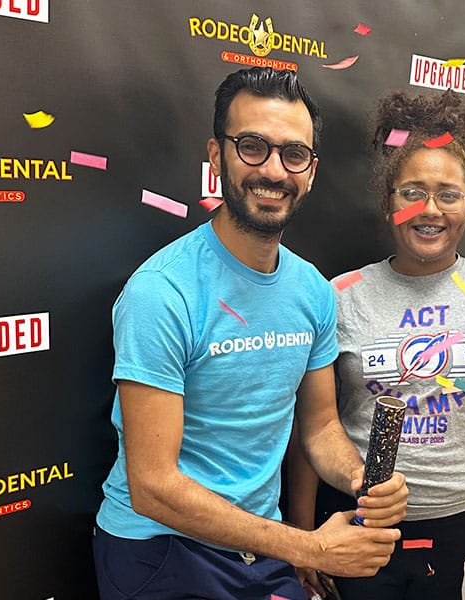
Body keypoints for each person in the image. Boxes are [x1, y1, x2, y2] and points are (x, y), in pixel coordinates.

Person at [92, 67, 408, 600]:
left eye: (293, 155)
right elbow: (153, 488)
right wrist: (307, 548)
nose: (274, 171)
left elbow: (322, 426)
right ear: (216, 155)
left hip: (262, 547)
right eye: (253, 147)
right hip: (161, 548)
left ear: (311, 171)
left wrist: (360, 479)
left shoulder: (311, 290)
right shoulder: (161, 293)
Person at [288, 89, 465, 600]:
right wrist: (304, 537)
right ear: (388, 202)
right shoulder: (339, 296)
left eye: (449, 193)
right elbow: (315, 426)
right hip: (360, 530)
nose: (430, 209)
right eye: (411, 192)